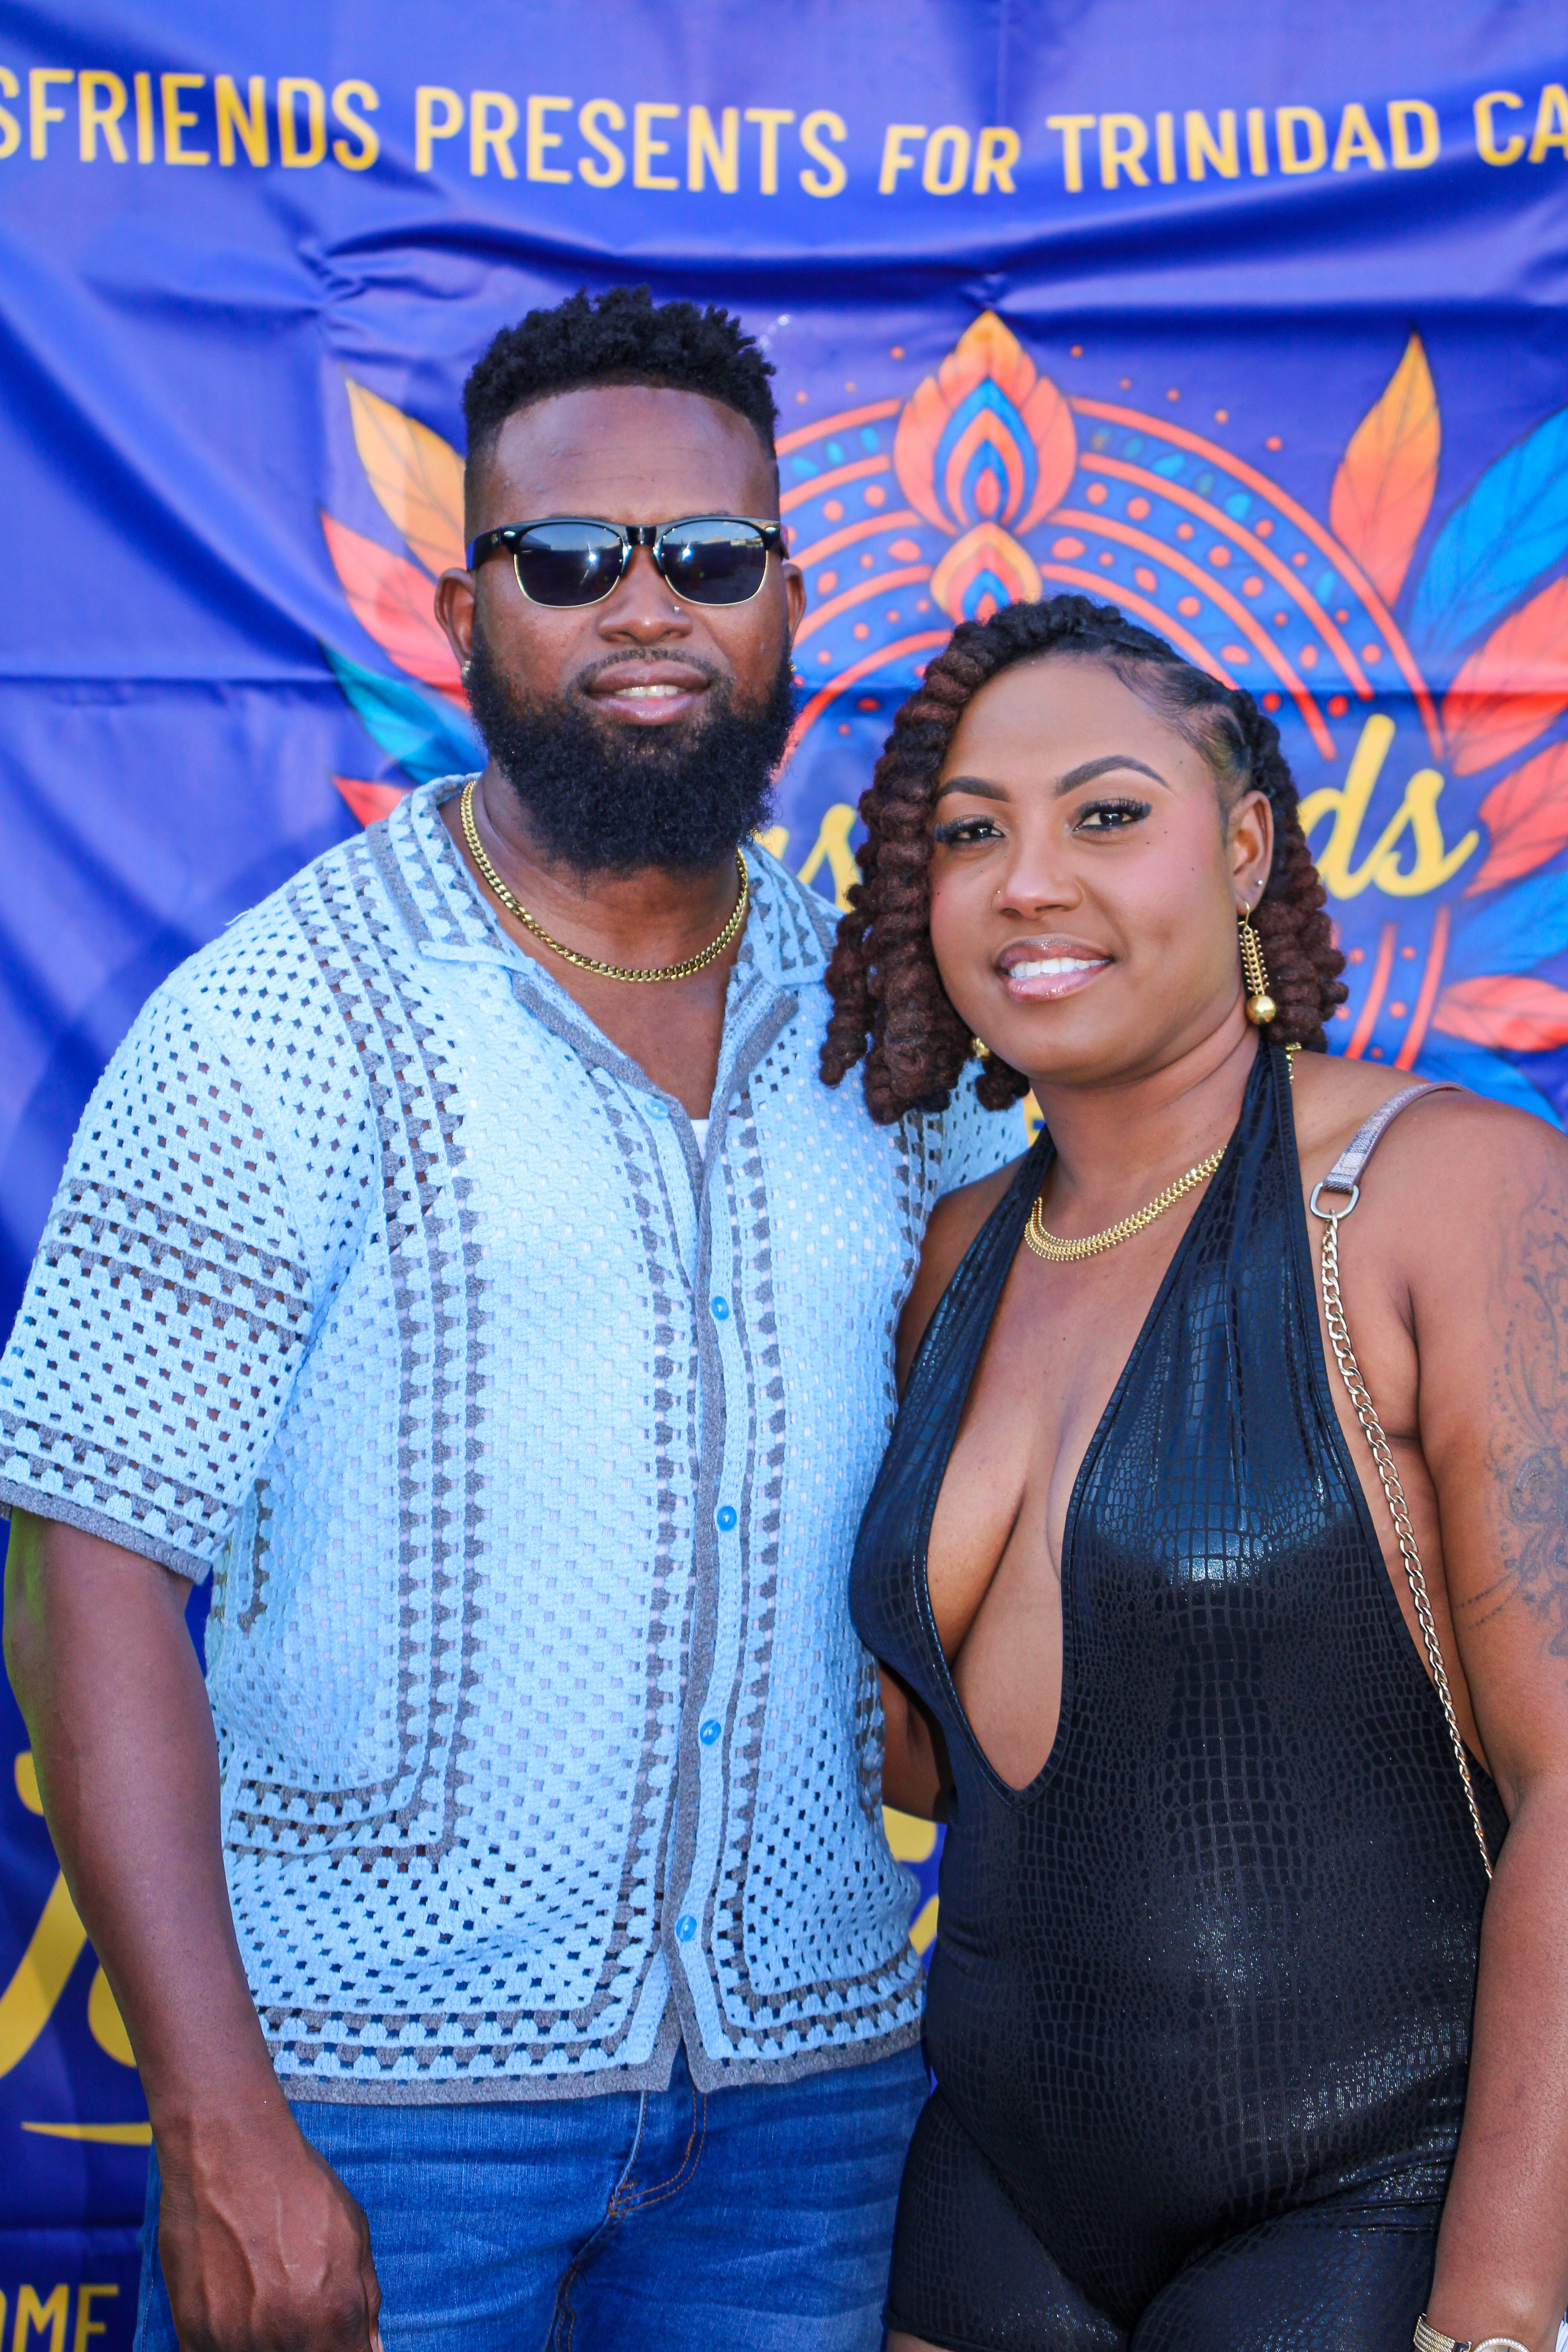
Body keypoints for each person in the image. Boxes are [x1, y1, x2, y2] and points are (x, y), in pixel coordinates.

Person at [0, 287, 1016, 2352]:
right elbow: (82, 1573)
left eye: (708, 558)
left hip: (813, 2115)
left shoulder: (899, 1035)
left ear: (790, 603)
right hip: (363, 2121)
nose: (645, 609)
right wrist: (217, 2123)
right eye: (567, 560)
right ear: (466, 615)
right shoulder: (274, 1024)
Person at [823, 593, 1568, 2352]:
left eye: (1106, 815)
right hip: (991, 2199)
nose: (1029, 883)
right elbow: (939, 1758)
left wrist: (1501, 2300)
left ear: (1243, 850)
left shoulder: (1446, 1191)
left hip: (1367, 2203)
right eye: (971, 835)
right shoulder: (958, 1255)